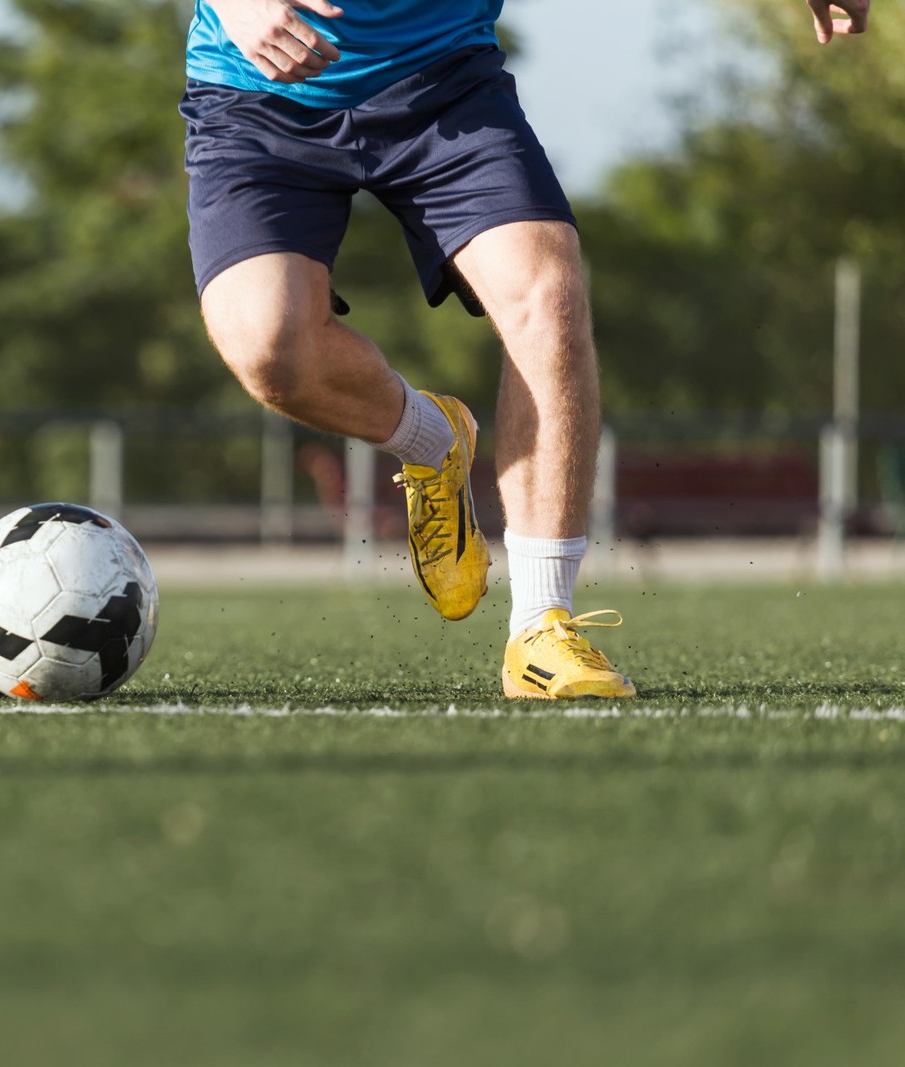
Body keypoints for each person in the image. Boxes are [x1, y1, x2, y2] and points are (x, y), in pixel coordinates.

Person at [183, 0, 870, 700]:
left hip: (442, 87)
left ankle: (542, 624)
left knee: (549, 296)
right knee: (270, 349)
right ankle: (431, 440)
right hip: (254, 99)